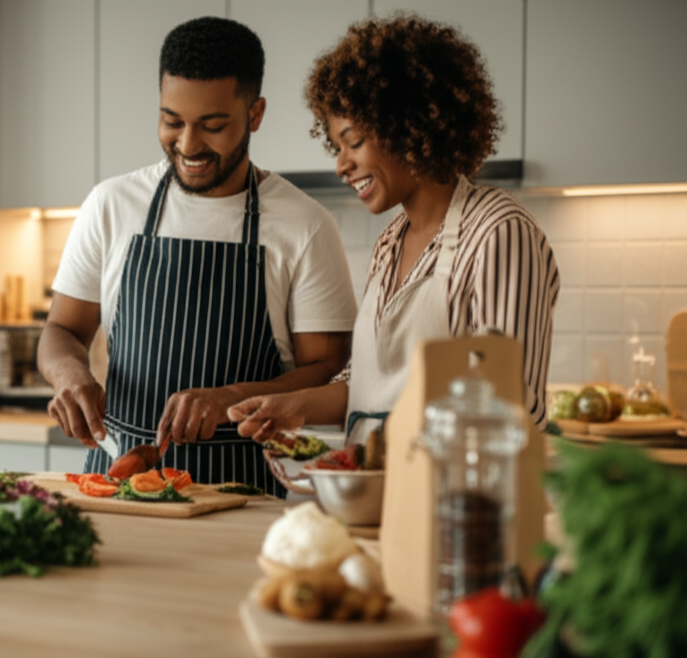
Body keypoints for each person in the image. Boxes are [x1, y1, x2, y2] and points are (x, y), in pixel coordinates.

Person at [38, 16, 357, 497]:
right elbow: (61, 330)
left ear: (255, 115)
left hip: (241, 491)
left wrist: (231, 397)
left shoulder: (305, 224)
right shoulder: (111, 204)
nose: (188, 146)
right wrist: (70, 376)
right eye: (172, 122)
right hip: (119, 481)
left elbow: (328, 367)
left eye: (212, 126)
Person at [229, 13, 560, 447]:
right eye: (337, 146)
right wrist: (291, 406)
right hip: (374, 499)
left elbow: (509, 403)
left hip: (453, 503)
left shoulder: (499, 232)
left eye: (355, 142)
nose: (341, 165)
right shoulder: (390, 240)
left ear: (409, 125)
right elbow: (367, 386)